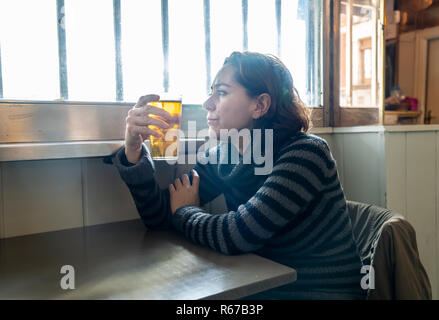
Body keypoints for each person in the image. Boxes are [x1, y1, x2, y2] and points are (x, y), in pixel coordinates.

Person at [113, 51, 366, 300]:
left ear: (260, 105)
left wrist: (185, 211)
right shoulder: (226, 155)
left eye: (221, 93)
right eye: (211, 92)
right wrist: (133, 151)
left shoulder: (306, 154)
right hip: (264, 287)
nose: (207, 104)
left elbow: (237, 235)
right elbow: (160, 216)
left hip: (319, 292)